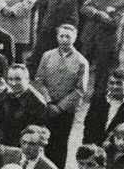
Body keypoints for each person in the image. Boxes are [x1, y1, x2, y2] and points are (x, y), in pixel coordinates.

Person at [33, 24, 88, 166]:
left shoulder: (81, 62)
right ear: (57, 37)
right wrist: (49, 101)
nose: (64, 40)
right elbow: (39, 79)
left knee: (59, 145)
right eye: (61, 36)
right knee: (40, 140)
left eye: (68, 37)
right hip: (46, 107)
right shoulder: (47, 56)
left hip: (65, 112)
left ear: (74, 38)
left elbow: (80, 90)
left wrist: (60, 107)